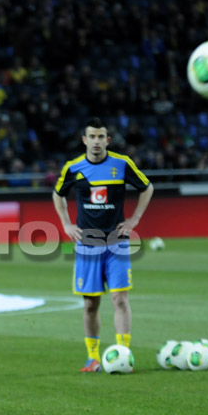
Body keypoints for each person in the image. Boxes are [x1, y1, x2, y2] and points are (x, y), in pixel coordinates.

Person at [52, 117, 154, 373]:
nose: (96, 141)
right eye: (92, 137)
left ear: (107, 140)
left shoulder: (122, 164)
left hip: (117, 242)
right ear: (84, 140)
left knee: (120, 299)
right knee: (90, 304)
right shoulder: (73, 167)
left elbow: (147, 187)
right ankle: (92, 357)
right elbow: (57, 194)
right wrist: (66, 224)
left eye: (100, 137)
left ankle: (124, 353)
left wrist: (135, 219)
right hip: (87, 244)